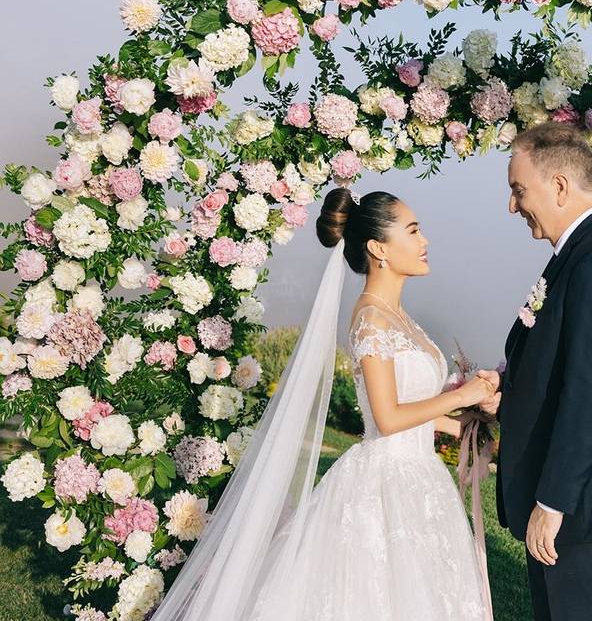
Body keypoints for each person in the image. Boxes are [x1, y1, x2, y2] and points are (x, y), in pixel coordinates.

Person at [152, 188, 498, 621]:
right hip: (384, 483)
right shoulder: (371, 318)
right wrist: (463, 395)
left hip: (421, 478)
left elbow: (405, 412)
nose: (424, 241)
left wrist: (461, 424)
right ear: (379, 249)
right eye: (413, 231)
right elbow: (387, 419)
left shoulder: (402, 318)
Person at [484, 121, 592, 621]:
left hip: (580, 507)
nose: (512, 206)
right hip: (570, 503)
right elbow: (559, 377)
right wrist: (505, 400)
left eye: (519, 191)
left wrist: (553, 501)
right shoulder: (577, 256)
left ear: (558, 186)